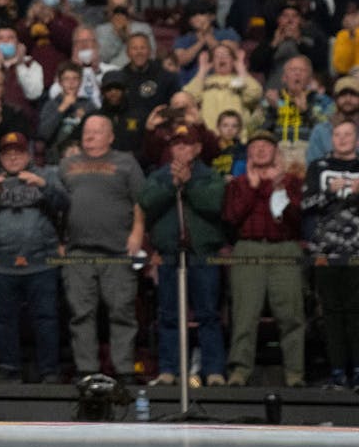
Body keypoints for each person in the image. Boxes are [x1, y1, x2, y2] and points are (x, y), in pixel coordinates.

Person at [0, 131, 68, 383]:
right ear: (1, 157)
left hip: (41, 262)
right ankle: (9, 371)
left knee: (46, 318)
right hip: (3, 263)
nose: (13, 158)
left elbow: (64, 203)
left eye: (18, 153)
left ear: (28, 154)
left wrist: (43, 186)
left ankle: (49, 372)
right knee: (3, 321)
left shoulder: (46, 175)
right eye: (7, 153)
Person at [58, 115, 146, 382]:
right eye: (87, 131)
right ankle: (87, 370)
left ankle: (124, 370)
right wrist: (60, 241)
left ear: (111, 136)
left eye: (97, 131)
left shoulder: (126, 163)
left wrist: (138, 233)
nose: (90, 136)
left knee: (122, 311)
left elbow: (141, 201)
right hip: (78, 251)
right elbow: (55, 205)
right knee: (80, 313)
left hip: (118, 250)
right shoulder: (67, 164)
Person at [139, 124, 226, 387]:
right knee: (169, 315)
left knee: (208, 314)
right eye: (176, 144)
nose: (181, 149)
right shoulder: (159, 176)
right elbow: (147, 201)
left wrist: (188, 185)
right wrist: (172, 185)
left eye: (186, 144)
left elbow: (214, 205)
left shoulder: (210, 176)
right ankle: (169, 369)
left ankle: (213, 371)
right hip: (169, 255)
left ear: (197, 149)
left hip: (202, 254)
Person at [222, 131, 305, 387]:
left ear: (275, 152)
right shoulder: (238, 183)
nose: (260, 150)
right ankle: (240, 371)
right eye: (255, 146)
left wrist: (279, 188)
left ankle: (295, 373)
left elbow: (297, 220)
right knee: (244, 314)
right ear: (248, 153)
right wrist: (253, 188)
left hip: (284, 249)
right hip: (249, 248)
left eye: (266, 146)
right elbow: (231, 218)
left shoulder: (290, 181)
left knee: (291, 314)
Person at [301, 119, 359, 389]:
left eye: (348, 134)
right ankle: (337, 370)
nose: (343, 139)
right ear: (331, 138)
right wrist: (329, 192)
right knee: (332, 312)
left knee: (355, 311)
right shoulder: (318, 167)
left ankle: (357, 369)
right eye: (338, 134)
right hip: (325, 251)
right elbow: (306, 203)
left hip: (357, 252)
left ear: (356, 139)